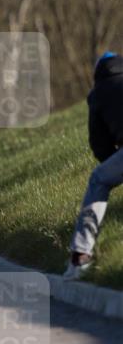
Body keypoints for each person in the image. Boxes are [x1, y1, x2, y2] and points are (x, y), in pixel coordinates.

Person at [64, 51, 123, 280]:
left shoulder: (99, 93)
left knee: (99, 179)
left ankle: (81, 254)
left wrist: (112, 161)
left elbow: (100, 145)